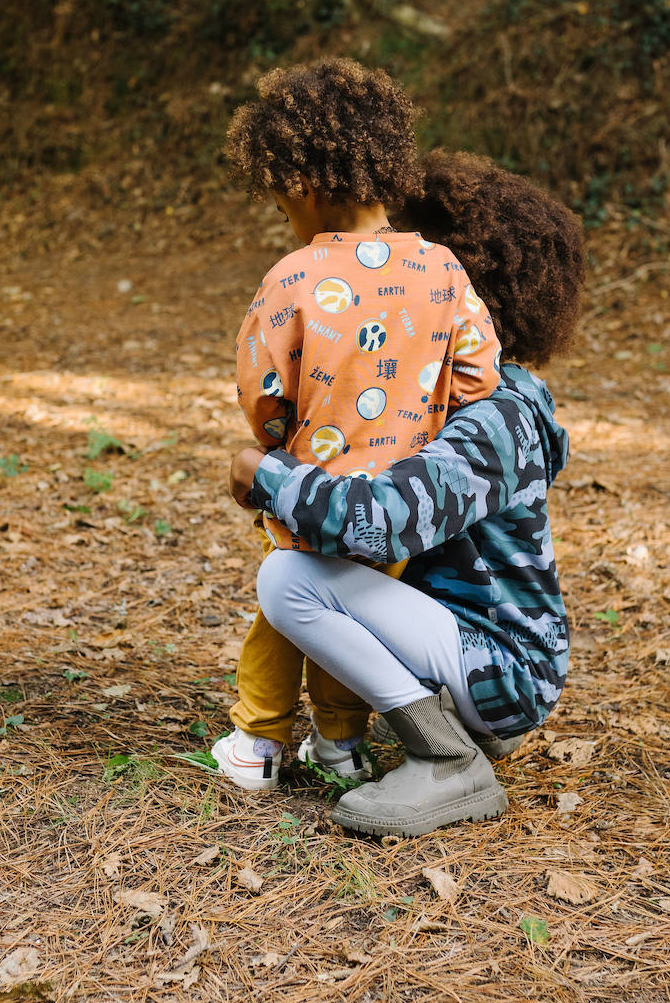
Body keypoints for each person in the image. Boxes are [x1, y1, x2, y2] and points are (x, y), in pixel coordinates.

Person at [229, 150, 586, 836]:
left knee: (289, 580)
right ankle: (423, 725)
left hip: (503, 665)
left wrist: (264, 474)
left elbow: (380, 525)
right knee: (318, 571)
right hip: (475, 644)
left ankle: (449, 757)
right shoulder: (448, 397)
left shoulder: (495, 416)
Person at [212, 62, 503, 791]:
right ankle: (339, 743)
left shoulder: (293, 278)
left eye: (282, 205)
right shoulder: (443, 270)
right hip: (401, 504)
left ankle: (257, 741)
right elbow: (480, 375)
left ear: (302, 189)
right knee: (353, 617)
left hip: (310, 488)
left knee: (284, 609)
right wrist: (428, 421)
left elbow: (263, 392)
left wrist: (275, 445)